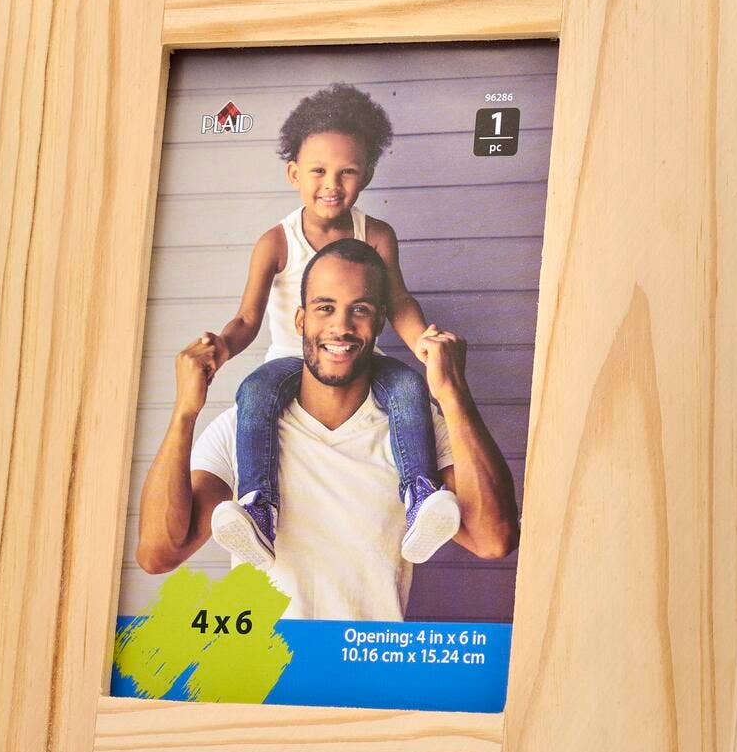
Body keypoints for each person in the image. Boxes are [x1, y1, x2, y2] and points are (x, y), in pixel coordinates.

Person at [137, 239, 519, 622]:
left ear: (380, 322)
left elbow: (493, 540)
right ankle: (260, 509)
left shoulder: (415, 429)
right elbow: (158, 554)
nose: (341, 327)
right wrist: (185, 412)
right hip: (261, 659)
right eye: (325, 308)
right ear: (300, 320)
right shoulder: (244, 426)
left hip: (364, 657)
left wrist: (453, 393)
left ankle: (416, 494)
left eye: (360, 309)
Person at [192, 82, 461, 571]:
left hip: (360, 358)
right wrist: (222, 348)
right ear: (294, 173)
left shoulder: (375, 234)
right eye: (318, 170)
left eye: (347, 171)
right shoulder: (276, 241)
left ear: (367, 174)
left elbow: (398, 300)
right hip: (292, 361)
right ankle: (258, 506)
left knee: (408, 387)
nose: (331, 183)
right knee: (254, 392)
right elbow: (248, 317)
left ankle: (420, 496)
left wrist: (422, 340)